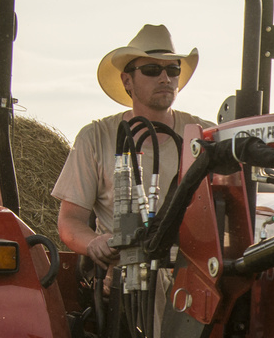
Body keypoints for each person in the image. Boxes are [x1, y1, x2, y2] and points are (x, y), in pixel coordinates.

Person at [53, 24, 211, 265]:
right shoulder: (96, 137)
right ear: (127, 80)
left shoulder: (204, 135)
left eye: (172, 69)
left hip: (193, 274)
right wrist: (95, 243)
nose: (165, 78)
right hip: (126, 282)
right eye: (151, 69)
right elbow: (70, 221)